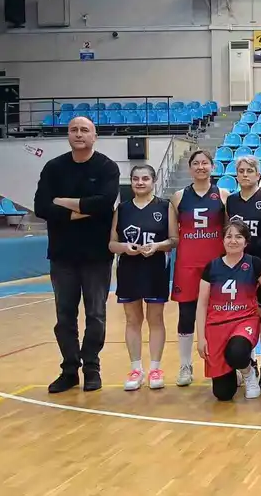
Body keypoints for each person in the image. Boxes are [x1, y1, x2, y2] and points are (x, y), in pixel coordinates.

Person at [34, 116, 120, 393]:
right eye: (73, 130)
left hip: (97, 256)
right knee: (64, 317)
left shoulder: (107, 167)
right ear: (68, 135)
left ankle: (91, 367)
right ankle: (69, 370)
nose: (79, 134)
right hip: (62, 256)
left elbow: (104, 204)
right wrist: (84, 209)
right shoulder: (53, 168)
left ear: (95, 136)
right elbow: (41, 207)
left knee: (96, 315)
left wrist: (62, 204)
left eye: (84, 130)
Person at [109, 164, 177, 391]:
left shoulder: (165, 206)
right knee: (132, 319)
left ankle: (155, 368)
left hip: (155, 269)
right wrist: (125, 248)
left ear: (153, 181)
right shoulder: (122, 208)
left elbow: (174, 240)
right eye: (136, 178)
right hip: (129, 269)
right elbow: (112, 244)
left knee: (155, 319)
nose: (140, 182)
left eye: (145, 178)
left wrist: (157, 246)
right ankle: (136, 369)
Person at [170, 150, 228, 387]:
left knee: (219, 315)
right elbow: (173, 234)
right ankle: (185, 365)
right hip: (187, 264)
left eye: (205, 163)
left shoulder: (223, 195)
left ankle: (223, 365)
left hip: (216, 265)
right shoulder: (178, 197)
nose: (201, 167)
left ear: (212, 167)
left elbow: (229, 231)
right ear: (190, 168)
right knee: (186, 315)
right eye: (196, 163)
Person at [226, 155, 261, 389]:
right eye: (241, 171)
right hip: (239, 266)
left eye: (250, 170)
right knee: (243, 314)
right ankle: (248, 361)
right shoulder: (231, 201)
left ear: (258, 174)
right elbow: (229, 234)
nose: (245, 174)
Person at [196, 220, 261, 401]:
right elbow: (202, 304)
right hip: (216, 326)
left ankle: (249, 373)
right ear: (223, 240)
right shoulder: (212, 267)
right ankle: (237, 370)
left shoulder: (254, 264)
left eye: (239, 237)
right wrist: (201, 338)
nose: (233, 241)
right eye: (229, 236)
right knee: (223, 394)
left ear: (246, 242)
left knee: (237, 351)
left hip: (244, 320)